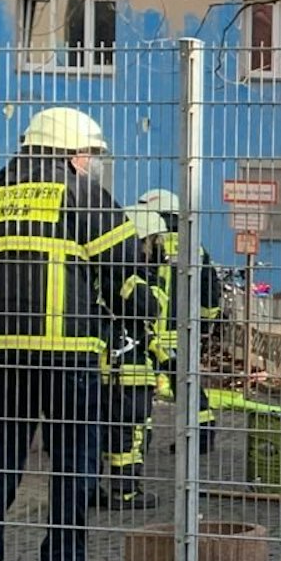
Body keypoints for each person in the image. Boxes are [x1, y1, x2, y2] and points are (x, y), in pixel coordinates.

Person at [0, 108, 137, 561]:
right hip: (68, 351)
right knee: (75, 459)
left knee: (0, 458)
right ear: (70, 153)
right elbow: (128, 268)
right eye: (89, 154)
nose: (91, 163)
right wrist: (130, 328)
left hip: (0, 351)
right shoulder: (81, 195)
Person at [94, 206, 171, 512]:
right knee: (131, 433)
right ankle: (125, 492)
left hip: (106, 365)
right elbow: (150, 308)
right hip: (128, 368)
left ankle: (92, 488)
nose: (155, 249)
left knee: (101, 430)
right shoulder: (126, 274)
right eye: (152, 242)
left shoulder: (99, 270)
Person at [136, 188, 223, 452]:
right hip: (182, 333)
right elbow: (210, 290)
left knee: (139, 390)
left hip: (147, 333)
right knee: (188, 387)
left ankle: (139, 444)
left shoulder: (147, 242)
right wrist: (206, 324)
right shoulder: (194, 246)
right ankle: (201, 437)